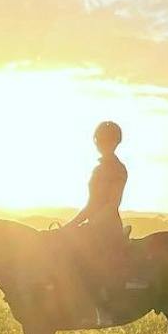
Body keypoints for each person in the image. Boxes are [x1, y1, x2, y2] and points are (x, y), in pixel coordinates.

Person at [64, 121, 132, 311]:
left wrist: (90, 224)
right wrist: (71, 225)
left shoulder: (118, 169)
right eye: (99, 140)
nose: (101, 143)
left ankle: (101, 304)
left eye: (106, 140)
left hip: (107, 226)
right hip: (94, 223)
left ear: (115, 142)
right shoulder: (98, 168)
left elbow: (112, 204)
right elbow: (91, 204)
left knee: (88, 259)